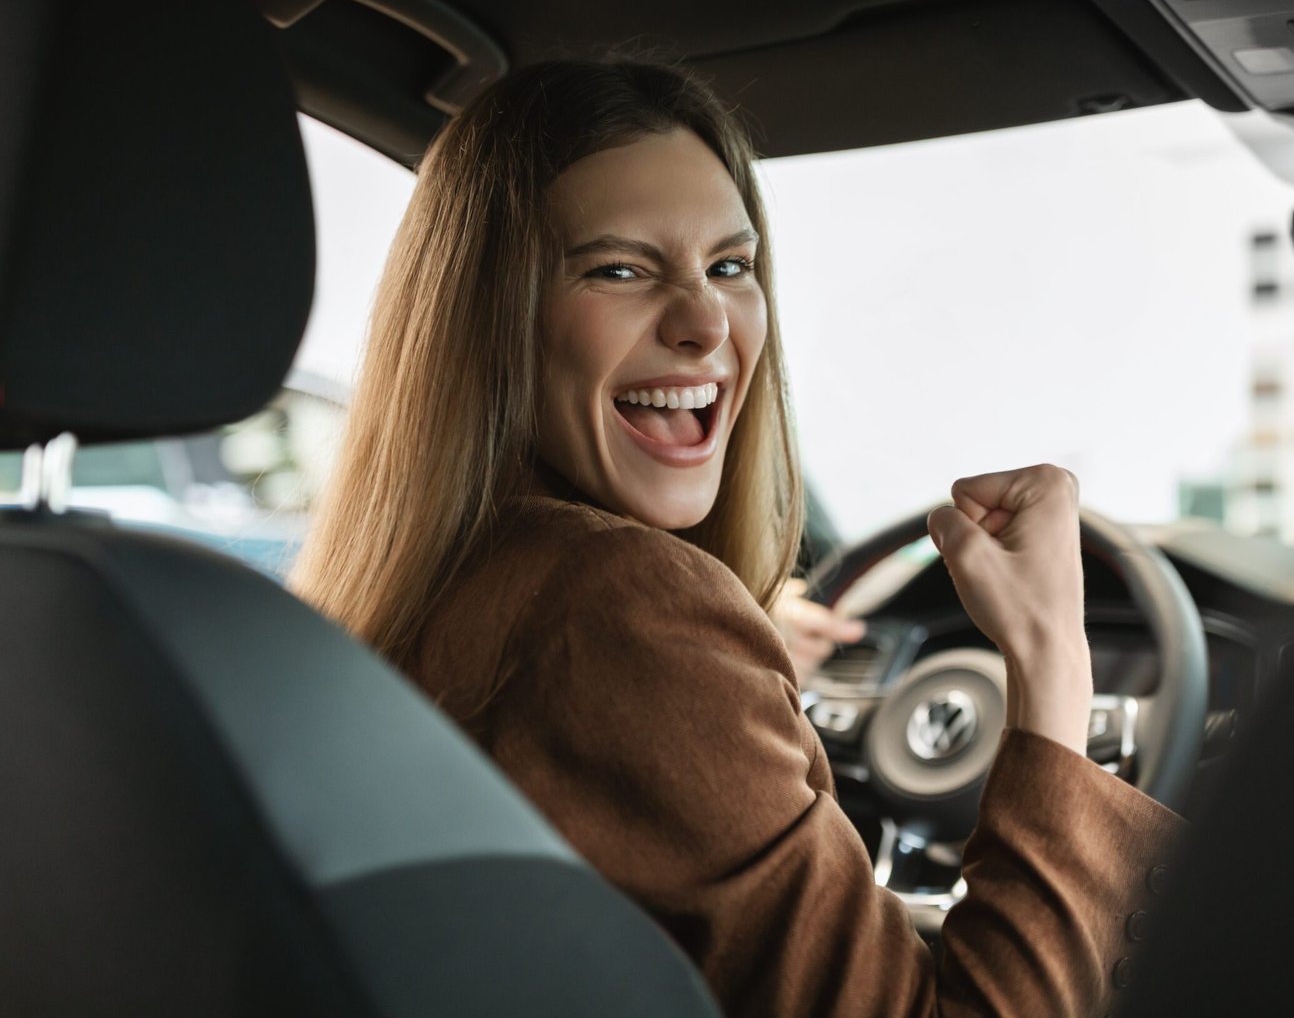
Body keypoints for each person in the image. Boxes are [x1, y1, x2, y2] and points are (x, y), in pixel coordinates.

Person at [291, 58, 1183, 1016]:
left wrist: (741, 669)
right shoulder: (623, 609)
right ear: (492, 319)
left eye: (730, 266)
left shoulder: (440, 593)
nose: (707, 320)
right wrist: (1051, 664)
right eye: (619, 268)